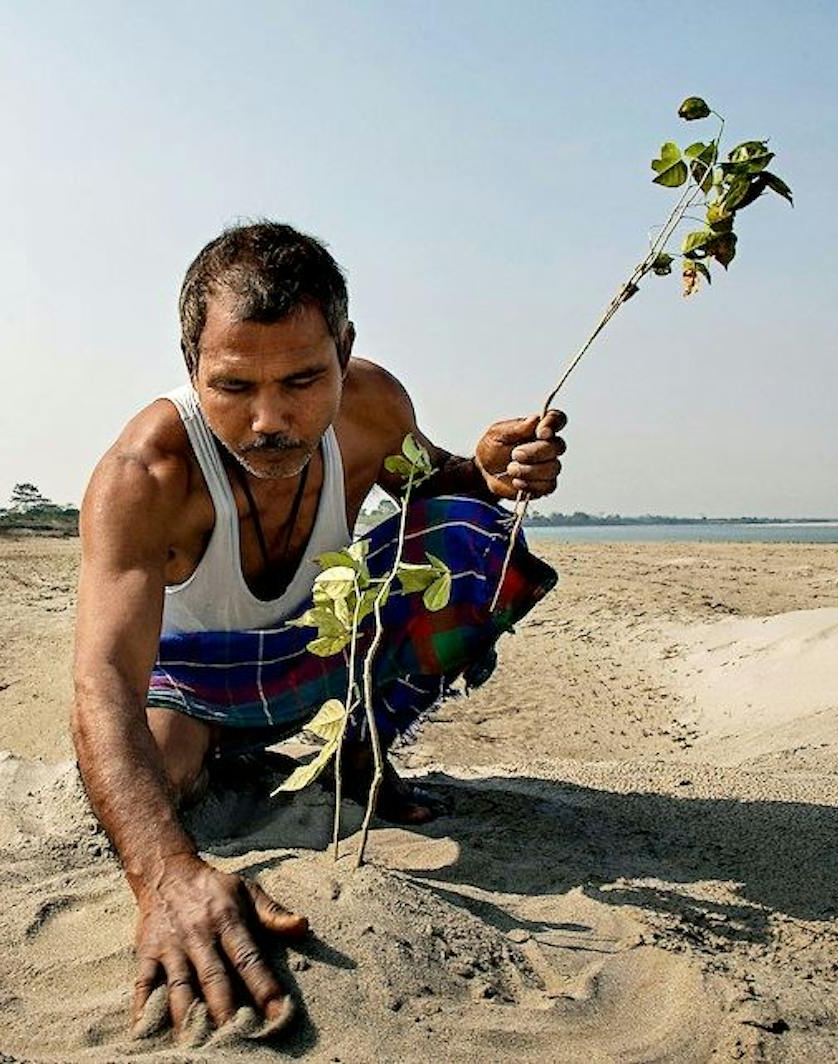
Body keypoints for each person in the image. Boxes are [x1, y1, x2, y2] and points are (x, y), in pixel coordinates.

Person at [70, 221, 567, 1038]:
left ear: (344, 348)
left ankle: (357, 755)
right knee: (161, 778)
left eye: (304, 379)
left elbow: (432, 480)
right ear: (190, 362)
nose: (271, 420)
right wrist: (165, 877)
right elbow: (102, 681)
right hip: (190, 680)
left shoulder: (374, 404)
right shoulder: (144, 474)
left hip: (322, 651)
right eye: (233, 387)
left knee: (474, 532)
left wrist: (484, 469)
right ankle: (225, 755)